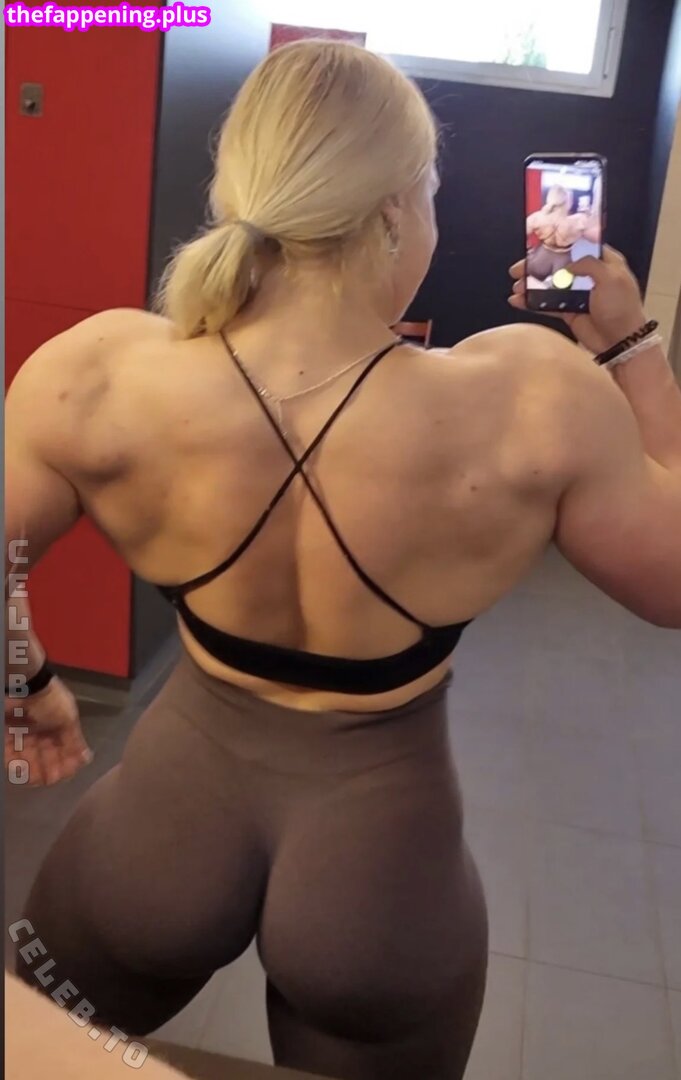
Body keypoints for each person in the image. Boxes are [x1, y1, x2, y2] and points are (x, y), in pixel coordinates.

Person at [5, 39, 681, 1080]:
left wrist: (27, 681)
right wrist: (631, 348)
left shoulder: (97, 368)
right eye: (434, 194)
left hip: (153, 843)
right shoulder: (532, 396)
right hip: (379, 880)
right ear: (397, 211)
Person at [526, 179, 602, 284]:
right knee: (561, 288)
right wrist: (589, 216)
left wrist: (529, 250)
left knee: (534, 286)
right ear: (568, 201)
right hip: (562, 263)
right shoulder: (579, 220)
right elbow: (595, 239)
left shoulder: (537, 217)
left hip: (539, 261)